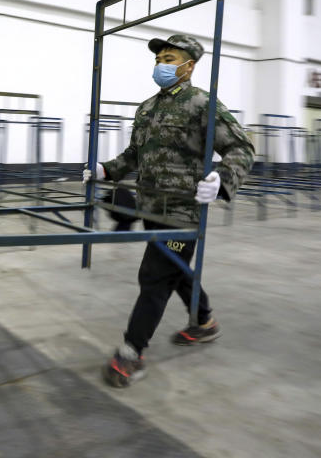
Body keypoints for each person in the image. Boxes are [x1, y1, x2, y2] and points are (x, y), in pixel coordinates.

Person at [83, 34, 254, 388]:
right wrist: (106, 170)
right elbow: (134, 154)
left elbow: (242, 147)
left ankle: (131, 352)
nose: (161, 64)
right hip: (151, 206)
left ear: (189, 66)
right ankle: (204, 321)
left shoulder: (201, 104)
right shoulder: (147, 108)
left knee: (155, 276)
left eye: (169, 58)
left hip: (183, 211)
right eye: (159, 58)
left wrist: (220, 181)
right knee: (175, 269)